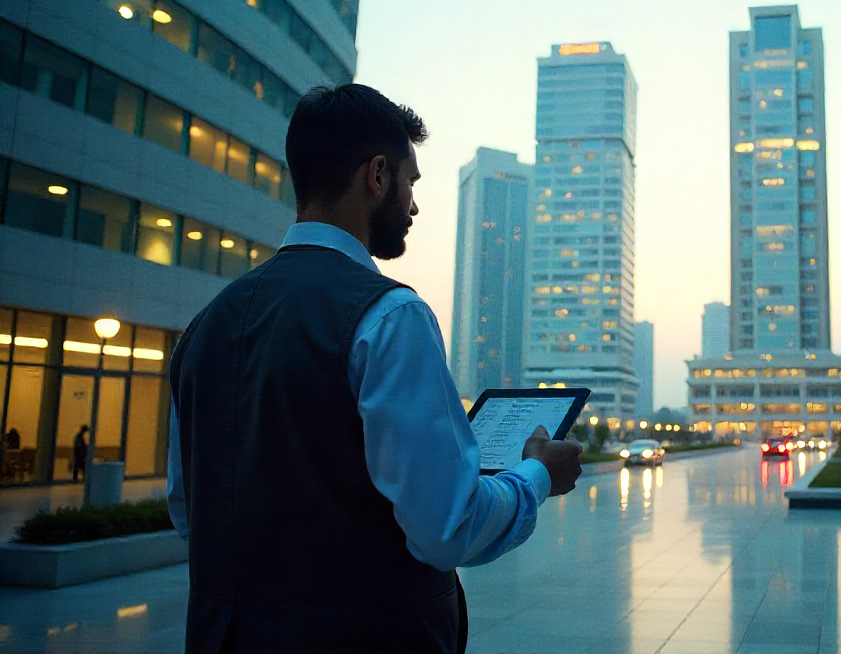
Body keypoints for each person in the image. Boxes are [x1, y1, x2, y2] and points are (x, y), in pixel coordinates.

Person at [166, 84, 583, 654]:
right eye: (411, 183)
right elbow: (447, 527)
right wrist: (537, 475)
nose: (413, 205)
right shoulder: (389, 316)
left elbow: (189, 511)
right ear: (378, 175)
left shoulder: (204, 327)